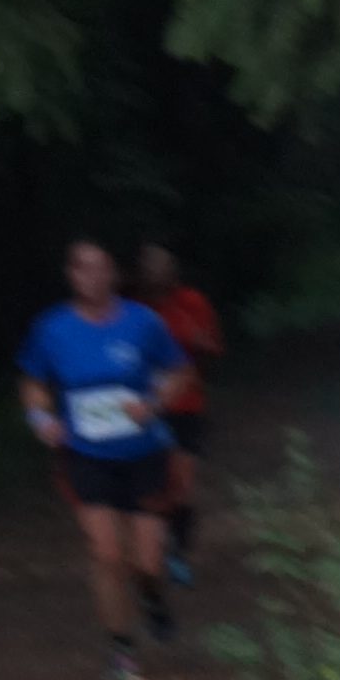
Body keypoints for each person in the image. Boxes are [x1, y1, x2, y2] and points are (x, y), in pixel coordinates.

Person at [16, 237, 193, 680]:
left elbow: (180, 372)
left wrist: (153, 403)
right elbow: (33, 383)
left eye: (101, 268)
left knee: (147, 564)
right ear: (71, 276)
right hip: (87, 454)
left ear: (113, 275)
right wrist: (42, 419)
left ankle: (152, 598)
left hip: (143, 453)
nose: (93, 277)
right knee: (106, 554)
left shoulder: (142, 322)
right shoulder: (53, 328)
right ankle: (122, 649)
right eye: (83, 269)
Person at [131, 241, 226, 586]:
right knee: (151, 482)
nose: (159, 273)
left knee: (183, 485)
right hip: (143, 407)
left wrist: (203, 346)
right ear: (141, 272)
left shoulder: (192, 302)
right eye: (152, 267)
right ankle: (149, 550)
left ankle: (178, 553)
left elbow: (215, 350)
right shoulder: (131, 308)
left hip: (186, 404)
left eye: (165, 266)